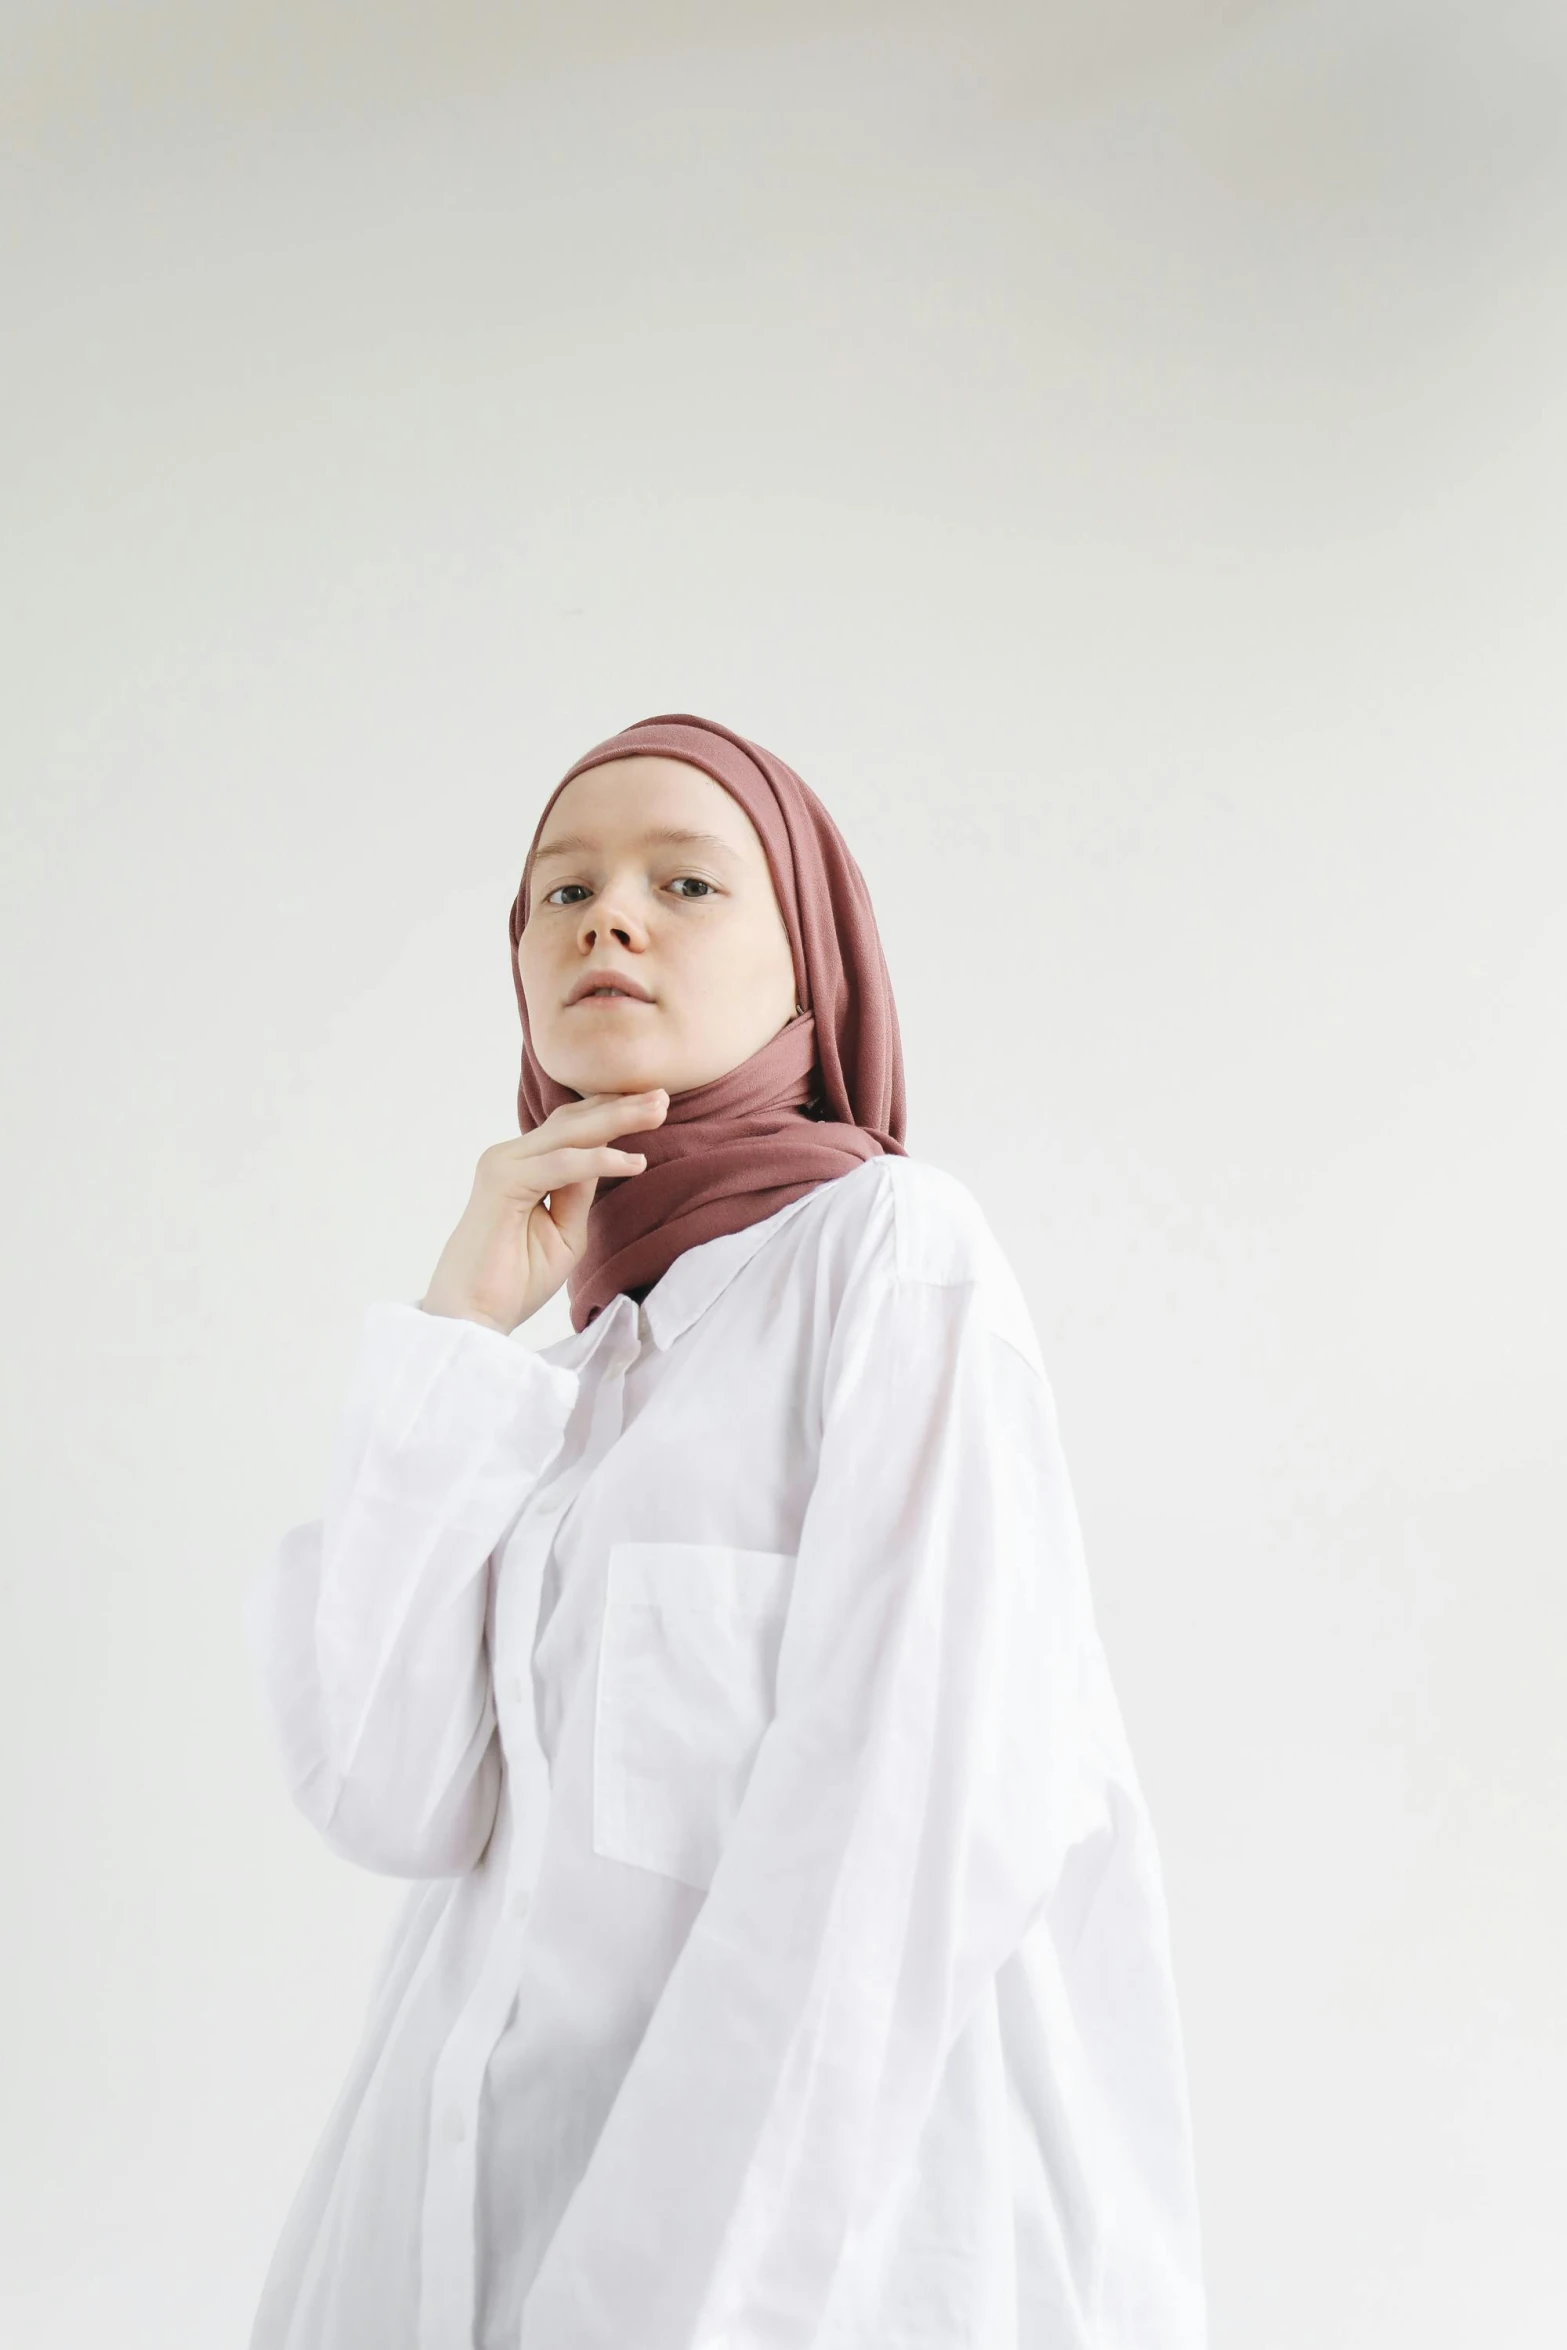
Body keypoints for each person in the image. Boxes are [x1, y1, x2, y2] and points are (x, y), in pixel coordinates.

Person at [244, 711, 1208, 2350]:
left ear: (807, 972)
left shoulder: (888, 1256)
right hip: (448, 2250)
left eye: (684, 881)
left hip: (794, 2282)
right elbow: (377, 1783)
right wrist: (460, 1334)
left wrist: (647, 2311)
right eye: (558, 893)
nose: (606, 917)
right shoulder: (564, 1378)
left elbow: (902, 1827)